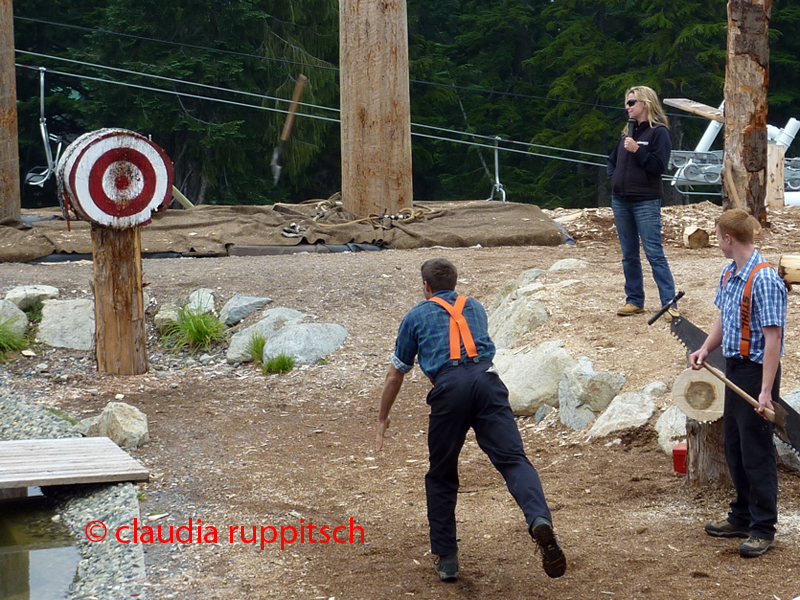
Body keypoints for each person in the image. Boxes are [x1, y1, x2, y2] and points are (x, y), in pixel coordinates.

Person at [375, 258, 566, 581]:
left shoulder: (416, 315)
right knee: (514, 460)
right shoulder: (474, 306)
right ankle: (538, 520)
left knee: (442, 474)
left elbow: (396, 374)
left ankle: (447, 559)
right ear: (455, 281)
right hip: (488, 383)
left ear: (426, 286)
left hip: (450, 389)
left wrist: (382, 418)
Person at [689, 209, 787, 558]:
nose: (716, 242)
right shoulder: (730, 273)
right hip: (733, 368)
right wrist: (705, 348)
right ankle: (742, 516)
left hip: (756, 374)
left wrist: (765, 391)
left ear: (729, 239)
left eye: (717, 237)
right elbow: (724, 316)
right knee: (734, 447)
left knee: (756, 453)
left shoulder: (764, 280)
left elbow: (772, 338)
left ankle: (763, 528)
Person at [607, 85, 676, 317]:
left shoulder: (659, 133)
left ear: (644, 104)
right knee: (629, 253)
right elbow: (612, 160)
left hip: (645, 201)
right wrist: (614, 179)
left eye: (631, 102)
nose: (627, 107)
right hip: (621, 200)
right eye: (626, 103)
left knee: (654, 252)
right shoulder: (627, 132)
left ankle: (669, 304)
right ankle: (634, 300)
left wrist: (638, 150)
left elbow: (659, 167)